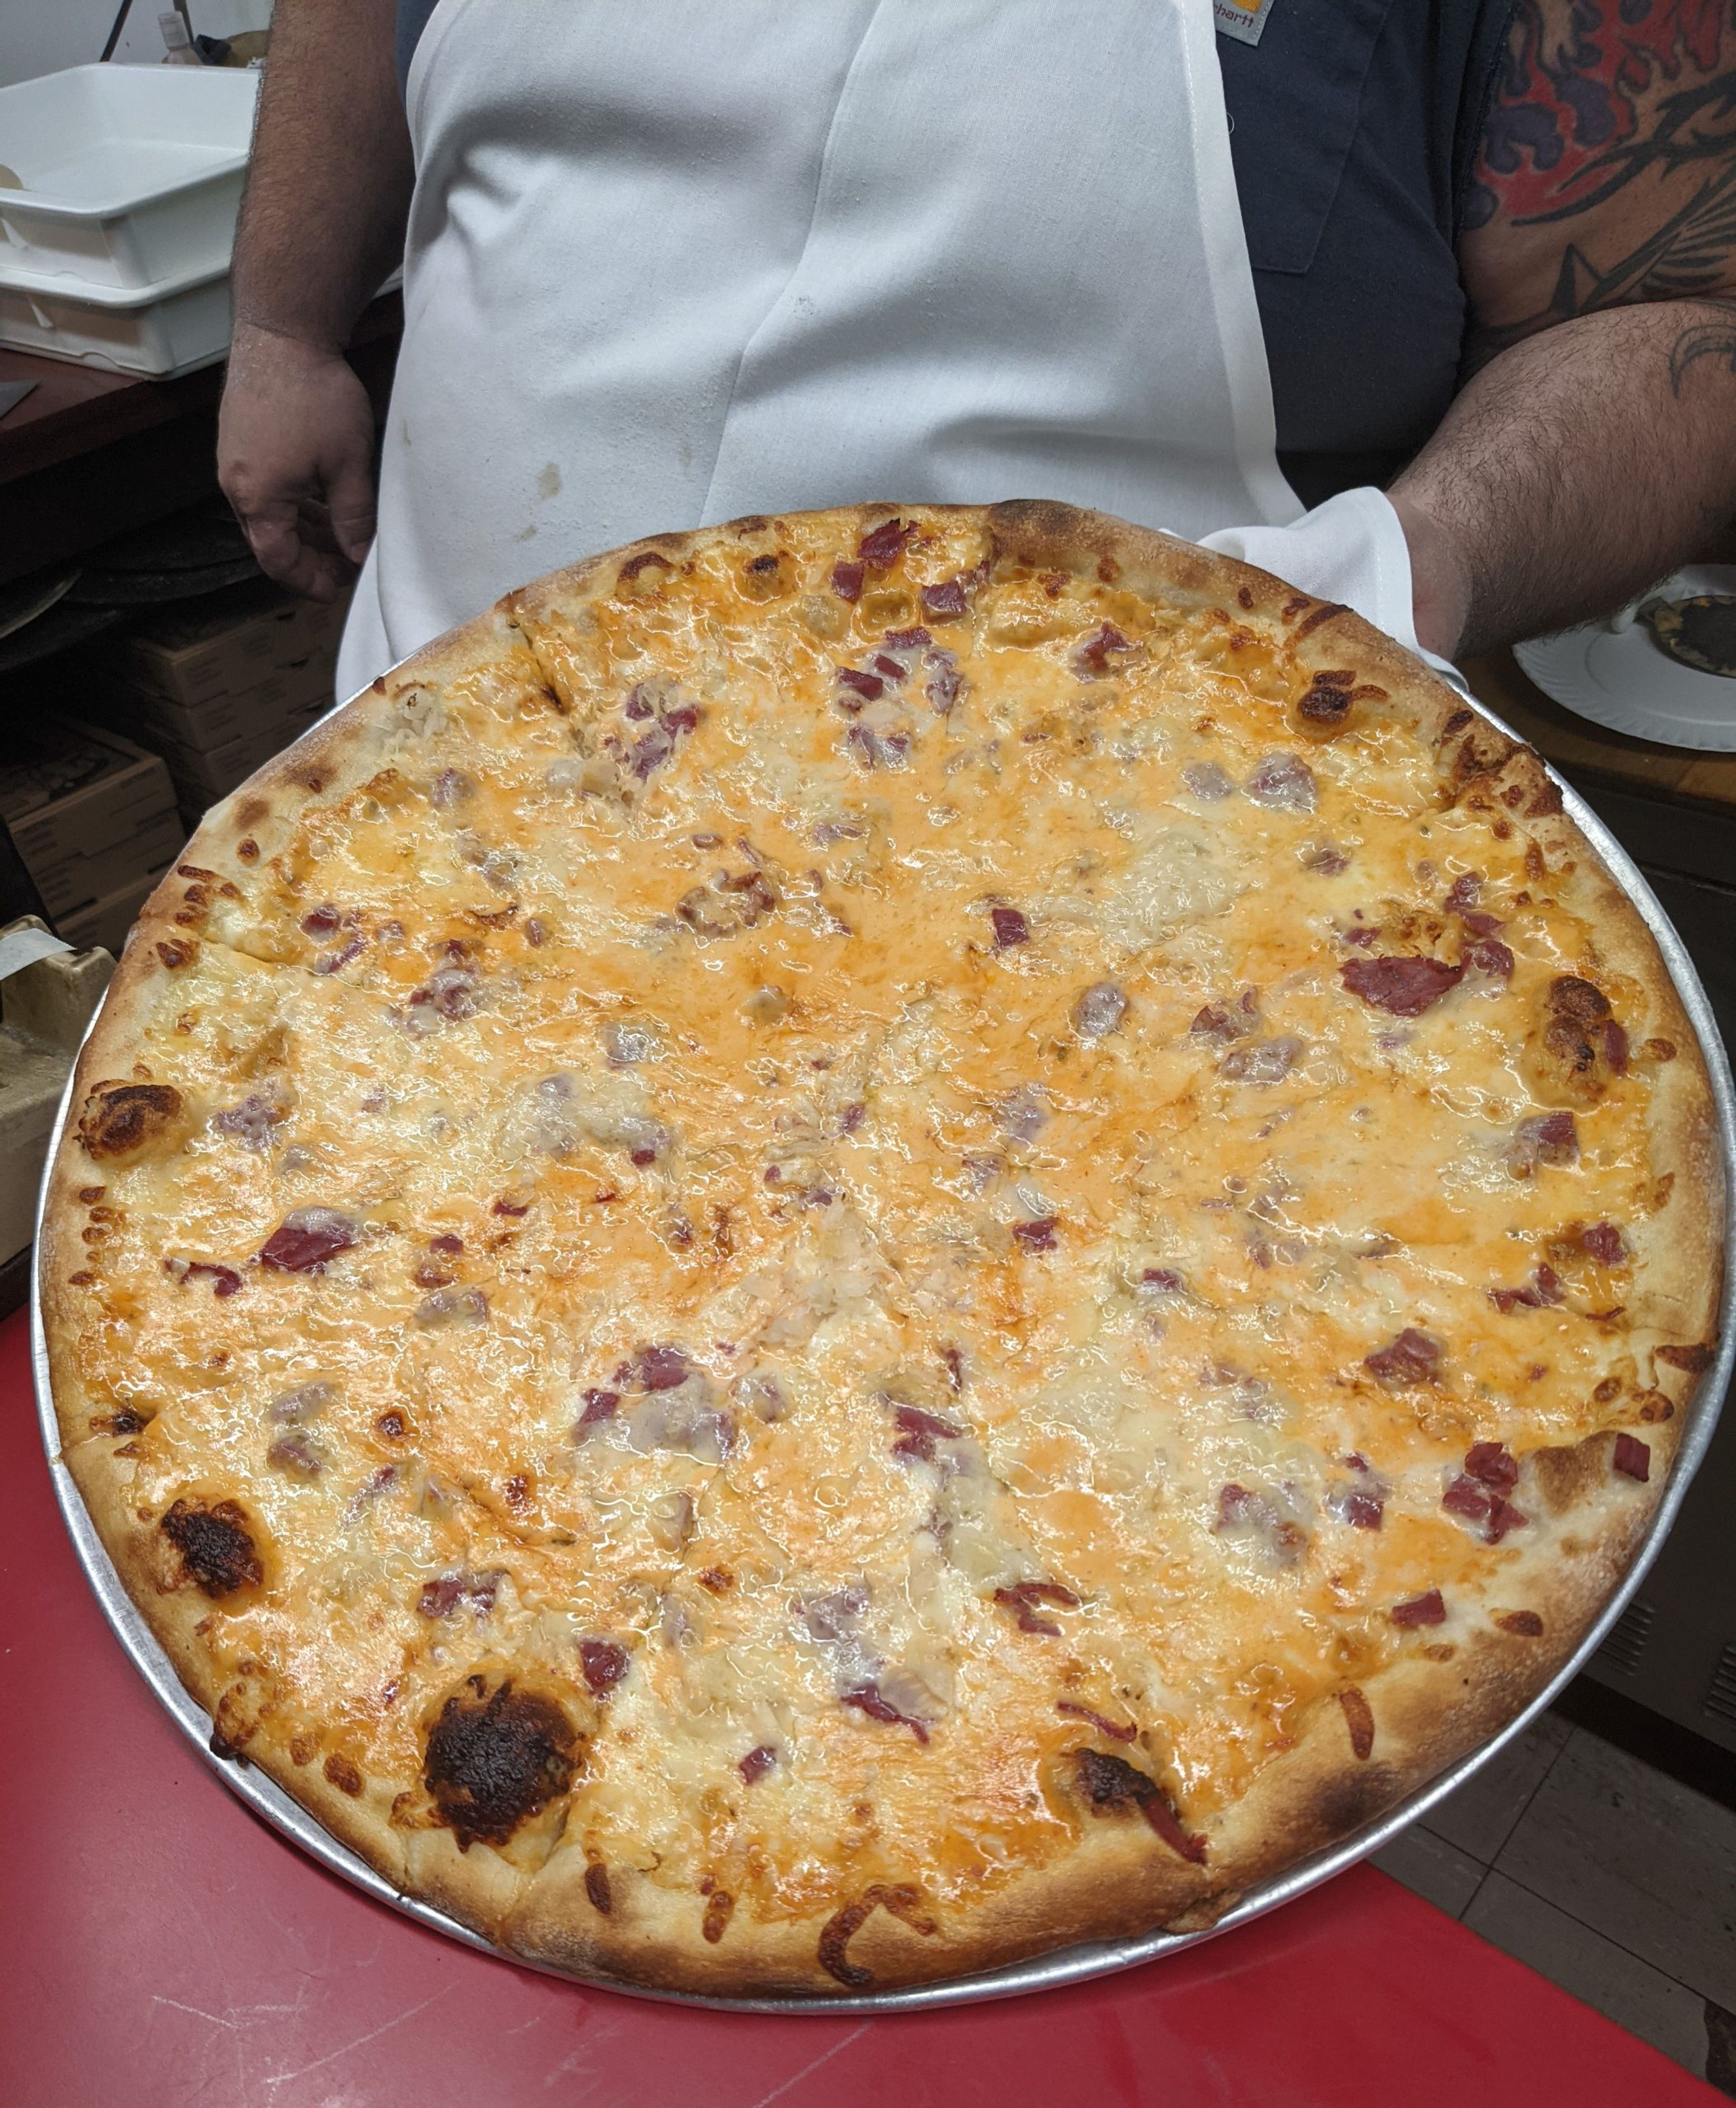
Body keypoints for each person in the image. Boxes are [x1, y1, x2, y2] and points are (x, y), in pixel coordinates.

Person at [217, 0, 1736, 700]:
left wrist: (1424, 564)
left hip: (1152, 879)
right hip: (428, 827)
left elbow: (1675, 320)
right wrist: (283, 319)